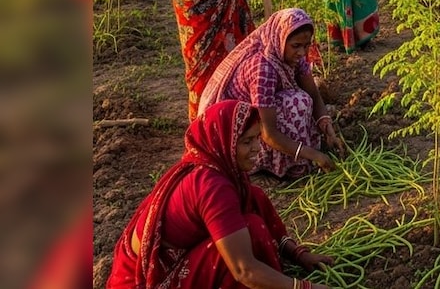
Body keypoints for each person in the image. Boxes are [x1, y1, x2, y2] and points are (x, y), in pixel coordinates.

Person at [106, 100, 335, 289]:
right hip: (142, 282)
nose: (257, 148)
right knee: (233, 253)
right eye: (247, 141)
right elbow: (243, 270)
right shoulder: (211, 185)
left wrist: (298, 254)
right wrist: (304, 287)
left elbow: (256, 208)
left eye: (257, 138)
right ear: (224, 142)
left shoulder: (225, 170)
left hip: (175, 258)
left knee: (253, 208)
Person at [198, 8, 344, 178]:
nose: (302, 52)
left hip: (264, 122)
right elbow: (268, 133)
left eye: (306, 45)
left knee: (303, 99)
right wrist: (315, 155)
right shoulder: (262, 69)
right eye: (296, 46)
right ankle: (281, 164)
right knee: (296, 103)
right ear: (280, 40)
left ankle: (299, 155)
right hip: (244, 140)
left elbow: (314, 94)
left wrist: (329, 130)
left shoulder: (295, 57)